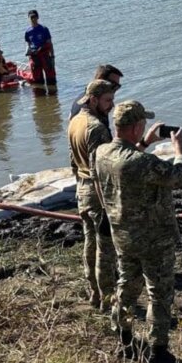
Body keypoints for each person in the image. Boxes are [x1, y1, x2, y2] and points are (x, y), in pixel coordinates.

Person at [94, 100, 182, 363]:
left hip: (122, 235)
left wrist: (145, 142)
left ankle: (124, 339)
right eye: (143, 124)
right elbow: (179, 176)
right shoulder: (144, 163)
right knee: (159, 294)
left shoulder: (101, 153)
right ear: (136, 126)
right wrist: (179, 149)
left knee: (127, 286)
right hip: (154, 239)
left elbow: (125, 164)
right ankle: (158, 353)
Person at [67, 79, 118, 311]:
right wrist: (109, 205)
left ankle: (94, 293)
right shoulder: (96, 128)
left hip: (82, 189)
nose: (112, 106)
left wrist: (80, 185)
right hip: (98, 193)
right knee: (105, 248)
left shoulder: (75, 120)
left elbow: (73, 162)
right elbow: (101, 170)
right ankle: (107, 297)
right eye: (108, 100)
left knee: (90, 242)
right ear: (94, 99)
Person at [24, 9, 57, 91]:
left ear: (38, 17)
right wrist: (28, 55)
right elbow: (28, 44)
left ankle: (53, 99)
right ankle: (40, 97)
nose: (33, 19)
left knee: (51, 79)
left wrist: (52, 56)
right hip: (34, 57)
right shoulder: (28, 32)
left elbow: (49, 43)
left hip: (45, 55)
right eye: (31, 17)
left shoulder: (44, 29)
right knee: (38, 81)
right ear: (29, 18)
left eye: (34, 17)